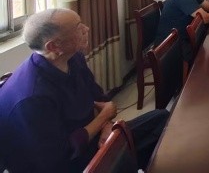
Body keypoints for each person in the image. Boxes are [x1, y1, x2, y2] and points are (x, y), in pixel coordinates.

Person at [0, 9, 169, 173]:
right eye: (78, 28)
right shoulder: (32, 97)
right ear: (53, 46)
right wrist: (103, 117)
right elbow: (62, 154)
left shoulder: (74, 58)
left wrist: (106, 126)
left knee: (161, 119)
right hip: (65, 163)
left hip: (90, 138)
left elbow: (99, 97)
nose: (86, 29)